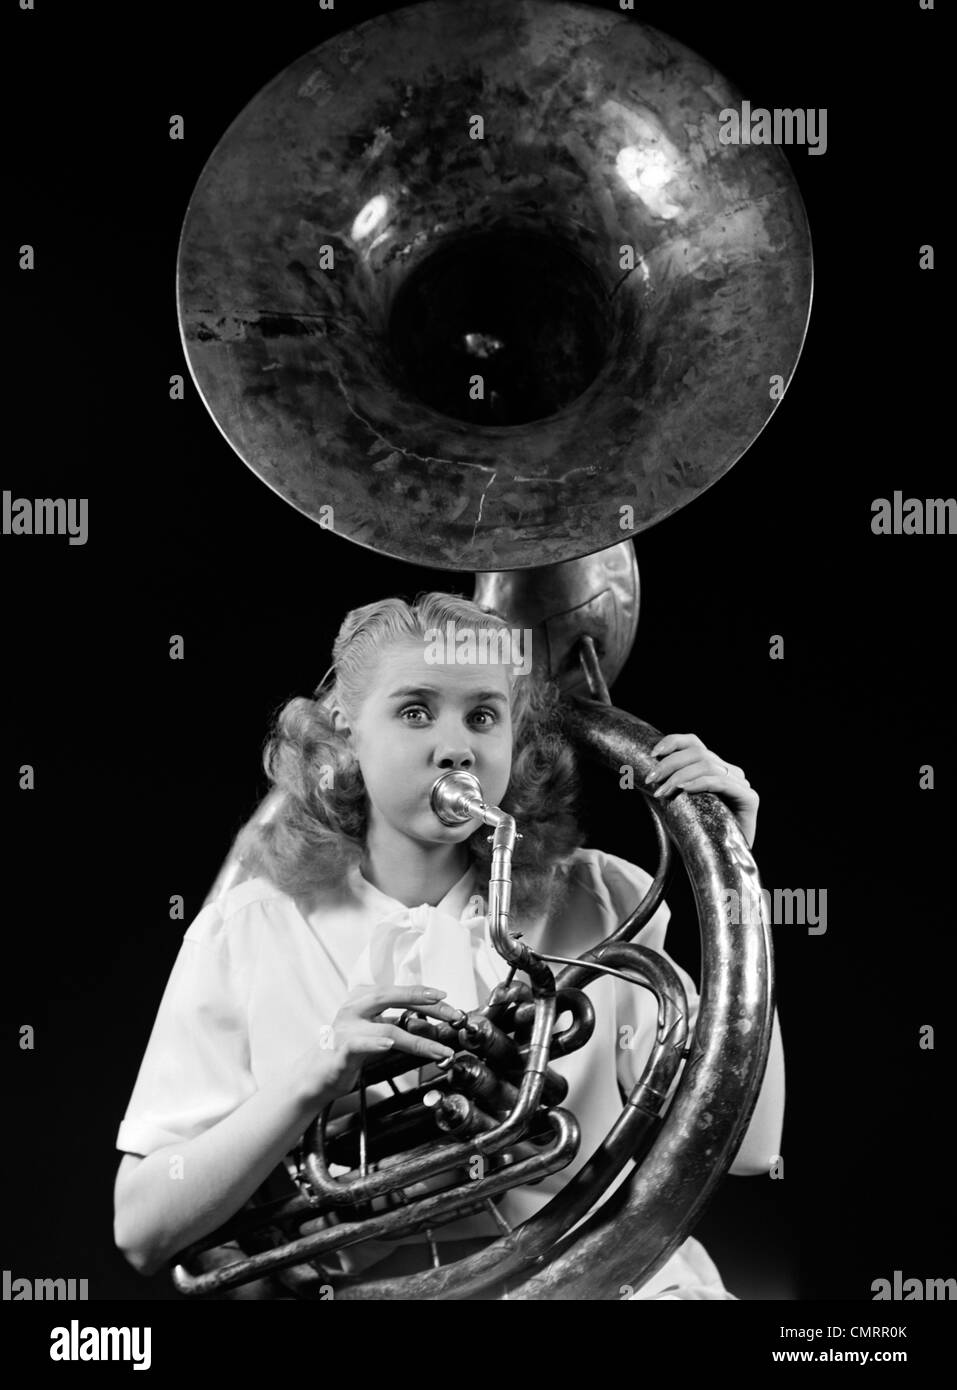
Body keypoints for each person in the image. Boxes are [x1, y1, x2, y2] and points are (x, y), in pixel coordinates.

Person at [113, 591, 785, 1299]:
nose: (455, 746)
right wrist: (312, 1077)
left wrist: (736, 873)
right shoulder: (245, 929)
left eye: (483, 716)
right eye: (414, 711)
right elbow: (142, 1229)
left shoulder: (602, 896)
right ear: (344, 730)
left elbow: (749, 1145)